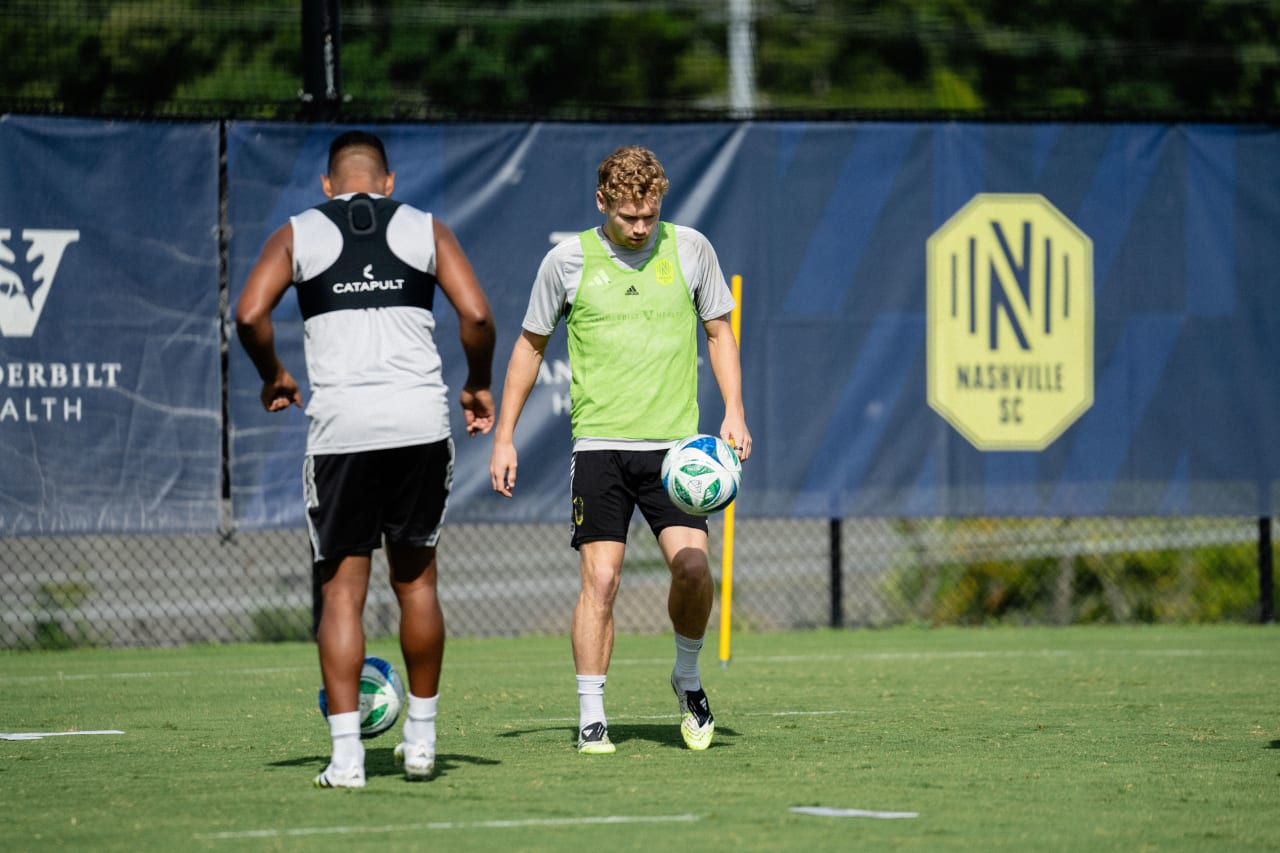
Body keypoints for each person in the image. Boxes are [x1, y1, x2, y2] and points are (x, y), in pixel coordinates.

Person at [235, 130, 496, 788]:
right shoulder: (423, 226)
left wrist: (274, 372)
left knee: (341, 595)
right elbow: (477, 314)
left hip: (344, 432)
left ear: (327, 185)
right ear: (388, 181)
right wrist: (477, 380)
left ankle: (348, 759)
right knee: (418, 585)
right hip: (418, 424)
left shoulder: (300, 231)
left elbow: (247, 314)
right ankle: (422, 741)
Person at [488, 145, 751, 754]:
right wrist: (504, 435)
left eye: (649, 216)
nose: (640, 228)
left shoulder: (690, 249)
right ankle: (591, 714)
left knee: (692, 569)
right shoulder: (567, 260)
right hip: (600, 449)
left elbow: (719, 331)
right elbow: (529, 347)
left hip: (678, 453)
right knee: (601, 580)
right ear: (602, 202)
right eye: (629, 216)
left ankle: (687, 677)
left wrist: (734, 411)